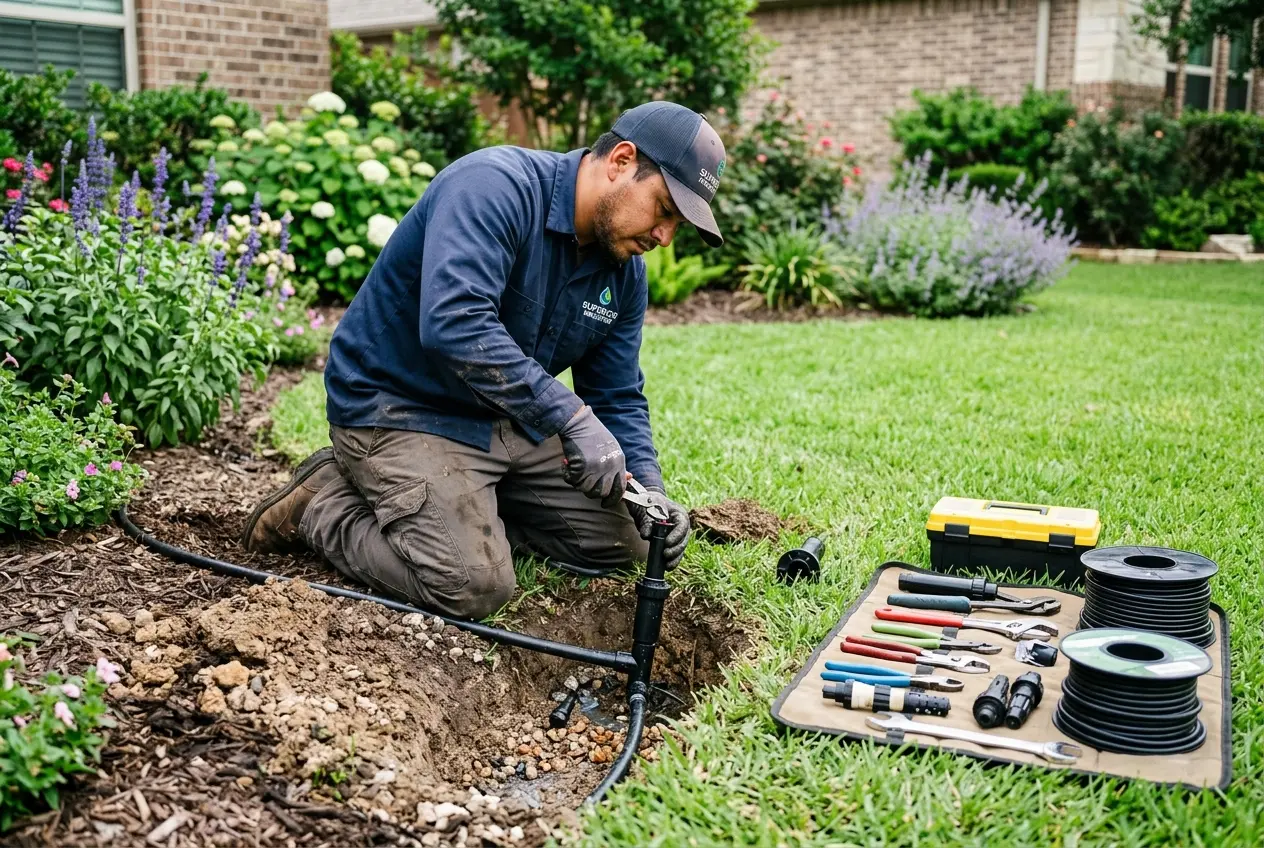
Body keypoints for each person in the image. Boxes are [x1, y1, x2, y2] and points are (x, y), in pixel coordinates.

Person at [240, 100, 727, 620]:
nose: (664, 236)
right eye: (665, 210)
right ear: (621, 161)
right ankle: (325, 503)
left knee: (629, 542)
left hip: (503, 417)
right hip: (399, 409)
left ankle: (466, 516)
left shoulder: (623, 270)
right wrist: (569, 416)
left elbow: (616, 393)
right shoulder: (493, 186)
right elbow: (455, 324)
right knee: (471, 586)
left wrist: (649, 490)